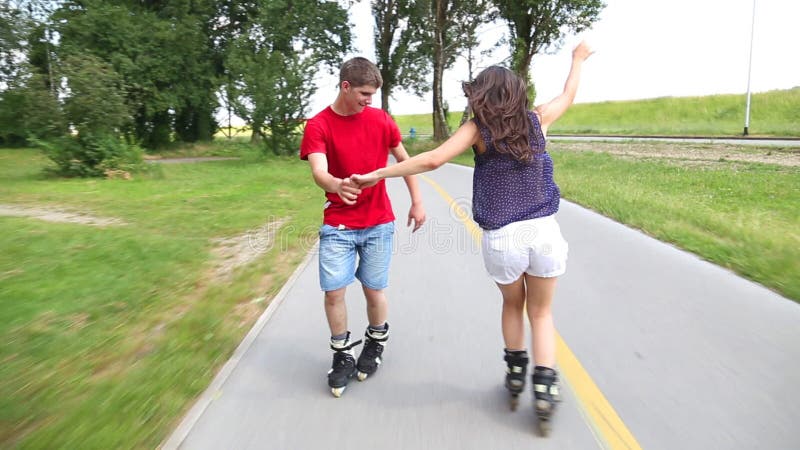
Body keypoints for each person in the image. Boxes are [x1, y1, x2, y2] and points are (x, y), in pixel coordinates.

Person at [352, 42, 593, 433]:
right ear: (517, 93)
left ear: (481, 95)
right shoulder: (537, 119)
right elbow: (568, 94)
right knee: (542, 313)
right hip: (544, 232)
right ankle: (545, 390)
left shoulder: (478, 130)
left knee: (513, 306)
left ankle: (515, 376)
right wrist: (577, 60)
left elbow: (432, 159)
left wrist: (376, 174)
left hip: (503, 239)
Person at [300, 57, 426, 398]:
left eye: (373, 94)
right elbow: (318, 171)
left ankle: (375, 342)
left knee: (373, 290)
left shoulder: (381, 120)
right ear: (345, 86)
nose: (369, 100)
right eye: (365, 93)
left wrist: (416, 200)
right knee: (334, 292)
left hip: (378, 223)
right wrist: (335, 184)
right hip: (338, 225)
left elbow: (406, 161)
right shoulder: (319, 125)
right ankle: (342, 355)